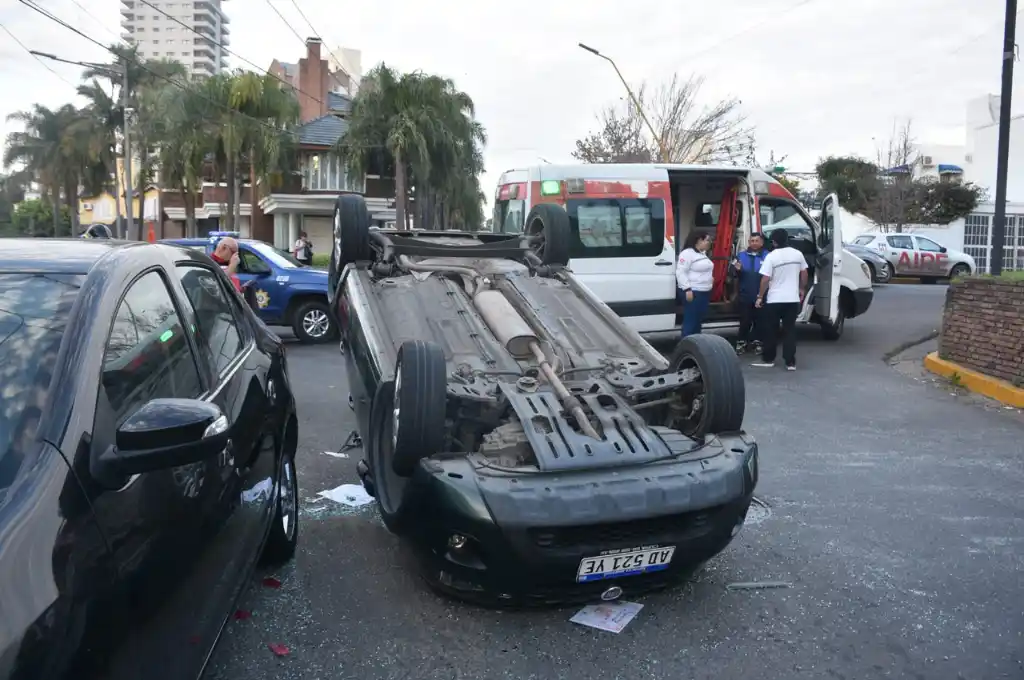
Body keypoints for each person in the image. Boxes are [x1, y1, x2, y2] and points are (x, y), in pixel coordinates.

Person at [752, 228, 808, 371]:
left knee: (771, 329)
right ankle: (790, 362)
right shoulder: (798, 254)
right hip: (792, 298)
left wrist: (760, 296)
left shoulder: (771, 256)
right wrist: (802, 289)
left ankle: (768, 359)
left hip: (774, 299)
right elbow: (804, 273)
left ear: (774, 242)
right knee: (790, 330)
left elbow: (765, 279)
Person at [732, 232, 767, 355]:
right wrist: (737, 270)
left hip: (762, 294)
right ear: (749, 242)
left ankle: (757, 343)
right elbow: (733, 275)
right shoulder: (740, 256)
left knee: (760, 321)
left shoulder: (767, 256)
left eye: (757, 241)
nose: (754, 243)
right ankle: (741, 342)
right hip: (745, 294)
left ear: (762, 242)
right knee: (745, 320)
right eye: (752, 241)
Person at [676, 231, 714, 337]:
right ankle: (686, 345)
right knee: (691, 321)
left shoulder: (702, 253)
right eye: (707, 240)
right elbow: (681, 272)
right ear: (699, 240)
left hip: (704, 291)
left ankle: (696, 345)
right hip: (693, 291)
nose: (709, 243)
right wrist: (687, 289)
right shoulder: (687, 253)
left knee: (698, 321)